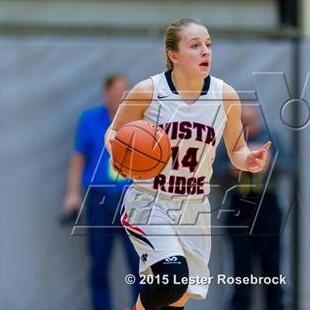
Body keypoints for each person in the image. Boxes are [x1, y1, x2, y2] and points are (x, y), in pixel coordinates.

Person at [105, 18, 271, 310]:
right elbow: (114, 132)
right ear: (173, 55)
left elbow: (237, 150)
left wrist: (250, 160)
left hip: (193, 206)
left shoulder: (225, 95)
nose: (205, 51)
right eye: (194, 45)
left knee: (177, 298)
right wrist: (119, 151)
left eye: (208, 45)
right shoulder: (149, 90)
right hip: (150, 201)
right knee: (172, 279)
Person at [62, 74, 140, 310]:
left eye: (124, 92)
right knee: (99, 262)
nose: (120, 96)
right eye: (115, 91)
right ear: (106, 94)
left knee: (138, 263)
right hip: (99, 199)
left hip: (130, 199)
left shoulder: (138, 120)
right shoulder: (91, 119)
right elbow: (78, 158)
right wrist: (72, 193)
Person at [215, 105, 290, 310]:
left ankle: (276, 306)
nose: (249, 126)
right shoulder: (231, 142)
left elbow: (291, 164)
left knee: (272, 265)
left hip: (267, 203)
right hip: (239, 205)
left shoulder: (270, 138)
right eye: (244, 122)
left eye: (252, 121)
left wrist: (269, 163)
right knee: (241, 266)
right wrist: (231, 167)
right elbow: (212, 169)